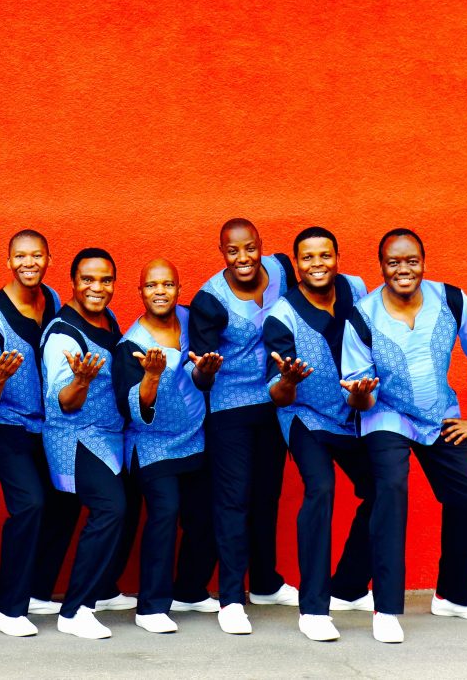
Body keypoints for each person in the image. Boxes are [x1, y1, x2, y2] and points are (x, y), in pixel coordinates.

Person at [341, 228, 467, 643]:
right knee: (391, 492)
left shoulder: (452, 300)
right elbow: (357, 397)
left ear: (424, 260)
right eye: (393, 262)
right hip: (385, 415)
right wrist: (362, 397)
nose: (403, 269)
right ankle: (385, 608)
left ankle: (454, 596)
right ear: (381, 266)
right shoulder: (362, 315)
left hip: (440, 415)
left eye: (411, 260)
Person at [0, 230, 82, 637]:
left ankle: (36, 590)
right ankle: (8, 608)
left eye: (36, 255)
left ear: (48, 259)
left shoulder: (50, 300)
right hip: (4, 426)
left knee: (66, 500)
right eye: (20, 256)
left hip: (46, 426)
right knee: (29, 503)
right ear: (8, 262)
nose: (29, 263)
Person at [262, 227, 375, 642]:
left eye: (324, 255)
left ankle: (348, 585)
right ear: (296, 264)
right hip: (304, 416)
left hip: (353, 412)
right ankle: (314, 609)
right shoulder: (283, 315)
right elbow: (276, 393)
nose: (317, 264)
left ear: (338, 257)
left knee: (383, 488)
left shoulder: (358, 290)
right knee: (321, 489)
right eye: (307, 258)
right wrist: (288, 381)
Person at [188, 218, 299, 634]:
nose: (243, 258)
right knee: (233, 501)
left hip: (274, 402)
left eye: (249, 248)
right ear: (222, 254)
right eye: (233, 251)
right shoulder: (209, 300)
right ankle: (232, 598)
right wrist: (207, 372)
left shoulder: (284, 270)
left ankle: (266, 583)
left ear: (261, 245)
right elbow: (200, 375)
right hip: (229, 408)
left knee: (268, 494)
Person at [112, 258, 220, 634]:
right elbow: (135, 412)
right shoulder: (130, 345)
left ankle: (190, 590)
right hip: (153, 445)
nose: (161, 291)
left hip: (195, 436)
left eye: (168, 284)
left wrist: (206, 370)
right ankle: (151, 606)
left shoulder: (192, 320)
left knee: (203, 515)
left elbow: (203, 376)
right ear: (140, 292)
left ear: (178, 289)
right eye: (152, 285)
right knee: (164, 514)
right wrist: (152, 377)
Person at [40, 248, 126, 639]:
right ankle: (75, 610)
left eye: (105, 280)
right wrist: (80, 381)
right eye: (88, 279)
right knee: (110, 507)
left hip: (109, 436)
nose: (97, 287)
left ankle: (102, 588)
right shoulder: (63, 334)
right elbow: (62, 402)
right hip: (76, 438)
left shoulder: (107, 319)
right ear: (72, 282)